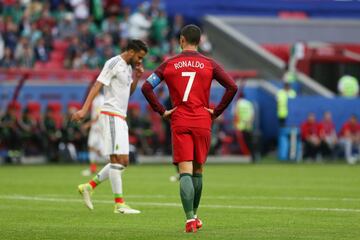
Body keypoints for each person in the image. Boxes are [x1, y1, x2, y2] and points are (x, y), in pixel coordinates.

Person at [141, 24, 237, 232]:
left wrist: (162, 111)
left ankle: (189, 219)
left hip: (180, 119)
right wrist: (216, 111)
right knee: (198, 170)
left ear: (182, 40)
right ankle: (195, 216)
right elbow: (232, 86)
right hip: (203, 120)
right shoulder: (209, 64)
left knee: (185, 172)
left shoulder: (169, 64)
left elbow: (146, 87)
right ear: (199, 41)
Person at [72, 40, 148, 214]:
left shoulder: (129, 68)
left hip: (121, 117)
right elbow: (97, 85)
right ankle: (119, 204)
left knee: (124, 162)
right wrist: (84, 110)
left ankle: (88, 186)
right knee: (116, 160)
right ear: (130, 51)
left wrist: (137, 77)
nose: (140, 61)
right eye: (139, 57)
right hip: (111, 115)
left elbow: (127, 93)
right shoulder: (113, 63)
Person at [82, 92, 105, 176]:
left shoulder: (101, 100)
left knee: (101, 150)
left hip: (99, 128)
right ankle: (93, 169)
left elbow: (99, 115)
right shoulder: (95, 100)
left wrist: (88, 124)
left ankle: (114, 165)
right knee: (91, 147)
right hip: (94, 128)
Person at [233, 91, 255, 161]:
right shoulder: (249, 103)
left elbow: (235, 114)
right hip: (248, 125)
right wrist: (250, 122)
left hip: (240, 126)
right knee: (250, 142)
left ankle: (242, 156)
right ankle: (252, 156)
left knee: (241, 143)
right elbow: (252, 114)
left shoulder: (237, 104)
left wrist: (235, 124)